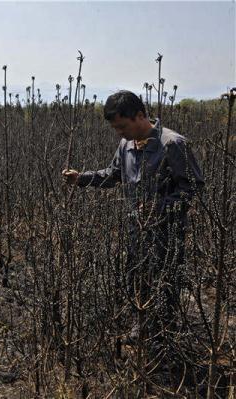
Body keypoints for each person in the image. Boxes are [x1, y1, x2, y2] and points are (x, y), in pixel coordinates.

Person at [62, 90, 204, 351]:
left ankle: (165, 340)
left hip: (167, 234)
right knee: (139, 281)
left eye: (122, 126)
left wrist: (159, 207)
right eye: (116, 128)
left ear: (140, 116)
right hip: (135, 231)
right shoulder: (126, 145)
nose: (119, 133)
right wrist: (81, 178)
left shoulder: (172, 144)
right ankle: (144, 329)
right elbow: (114, 175)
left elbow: (193, 187)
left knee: (166, 286)